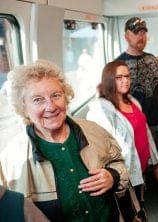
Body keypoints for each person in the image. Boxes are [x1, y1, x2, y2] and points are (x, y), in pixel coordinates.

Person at [0, 60, 129, 221]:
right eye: (38, 100)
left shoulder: (94, 130)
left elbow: (118, 162)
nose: (51, 106)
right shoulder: (11, 160)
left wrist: (113, 176)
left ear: (65, 98)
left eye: (56, 95)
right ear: (23, 107)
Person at [116, 17, 158, 214]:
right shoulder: (119, 64)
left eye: (143, 32)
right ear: (127, 35)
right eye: (136, 32)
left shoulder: (153, 59)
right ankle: (139, 202)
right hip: (138, 124)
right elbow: (117, 95)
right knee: (138, 163)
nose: (141, 36)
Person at [87, 60, 158, 221]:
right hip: (124, 171)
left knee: (138, 203)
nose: (125, 80)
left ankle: (139, 209)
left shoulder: (131, 100)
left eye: (127, 76)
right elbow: (102, 148)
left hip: (140, 165)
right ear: (109, 80)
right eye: (119, 77)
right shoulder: (101, 109)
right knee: (128, 211)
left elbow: (143, 130)